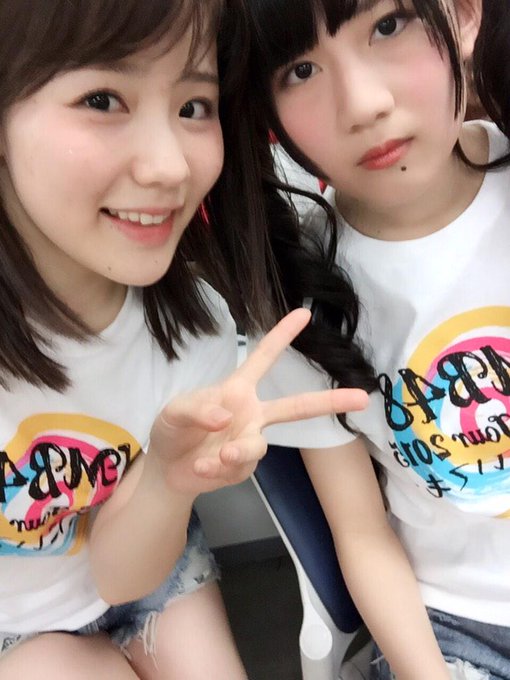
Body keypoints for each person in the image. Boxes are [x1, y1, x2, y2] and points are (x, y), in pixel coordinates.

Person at [0, 2, 370, 678]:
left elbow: (121, 575)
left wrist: (169, 482)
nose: (170, 166)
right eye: (102, 99)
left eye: (194, 107)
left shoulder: (196, 329)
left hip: (143, 571)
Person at [218, 0, 510, 678]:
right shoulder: (298, 291)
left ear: (465, 15)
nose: (363, 104)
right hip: (455, 631)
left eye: (388, 25)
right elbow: (362, 532)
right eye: (300, 70)